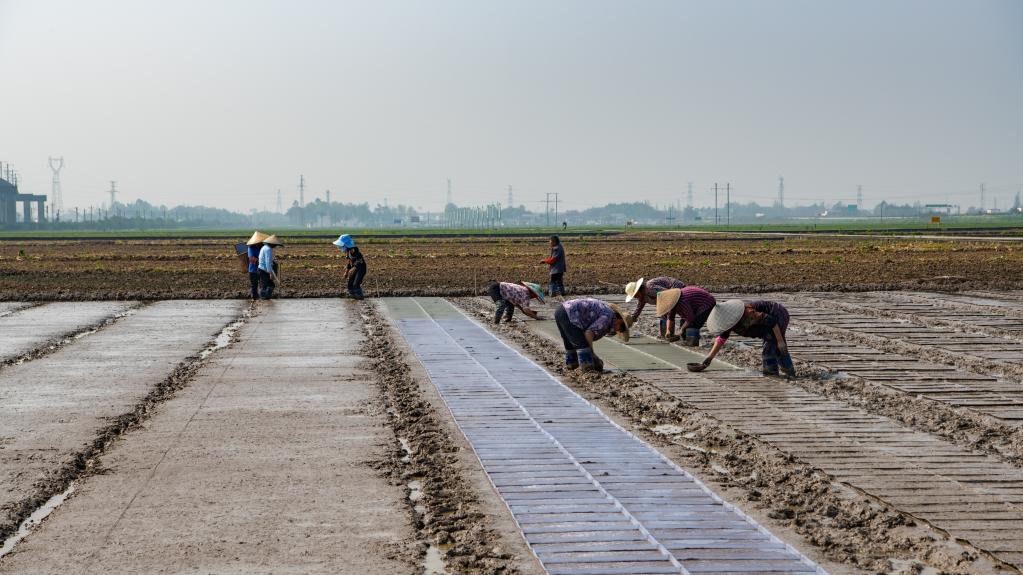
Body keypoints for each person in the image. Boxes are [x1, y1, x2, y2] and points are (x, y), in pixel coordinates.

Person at [697, 299, 795, 377]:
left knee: (771, 348)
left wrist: (780, 341)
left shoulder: (749, 312)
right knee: (772, 345)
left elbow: (772, 321)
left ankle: (779, 373)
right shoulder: (729, 322)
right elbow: (721, 339)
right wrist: (709, 359)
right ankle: (781, 371)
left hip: (777, 315)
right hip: (766, 326)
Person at [555, 297, 632, 374]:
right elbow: (589, 333)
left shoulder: (607, 312)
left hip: (561, 311)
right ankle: (587, 369)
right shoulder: (608, 317)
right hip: (569, 313)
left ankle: (572, 364)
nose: (617, 331)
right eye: (621, 329)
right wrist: (592, 355)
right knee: (583, 346)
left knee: (570, 341)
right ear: (620, 321)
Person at [333, 234, 367, 299]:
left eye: (341, 246)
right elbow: (349, 262)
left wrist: (353, 268)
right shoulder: (348, 251)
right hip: (354, 269)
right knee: (350, 285)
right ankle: (353, 299)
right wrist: (346, 272)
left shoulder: (354, 251)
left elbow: (359, 261)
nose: (340, 248)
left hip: (361, 269)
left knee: (356, 285)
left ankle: (361, 300)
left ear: (346, 245)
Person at [245, 231, 269, 301]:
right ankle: (254, 298)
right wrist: (261, 262)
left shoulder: (263, 247)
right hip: (253, 269)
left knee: (263, 284)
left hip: (262, 269)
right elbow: (251, 258)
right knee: (254, 285)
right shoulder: (251, 248)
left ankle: (263, 298)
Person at [258, 235, 283, 299]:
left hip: (262, 268)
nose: (275, 246)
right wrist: (270, 273)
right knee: (268, 285)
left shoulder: (264, 247)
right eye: (274, 245)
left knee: (267, 284)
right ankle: (264, 297)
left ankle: (266, 298)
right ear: (271, 244)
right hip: (264, 269)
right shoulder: (268, 249)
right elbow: (267, 262)